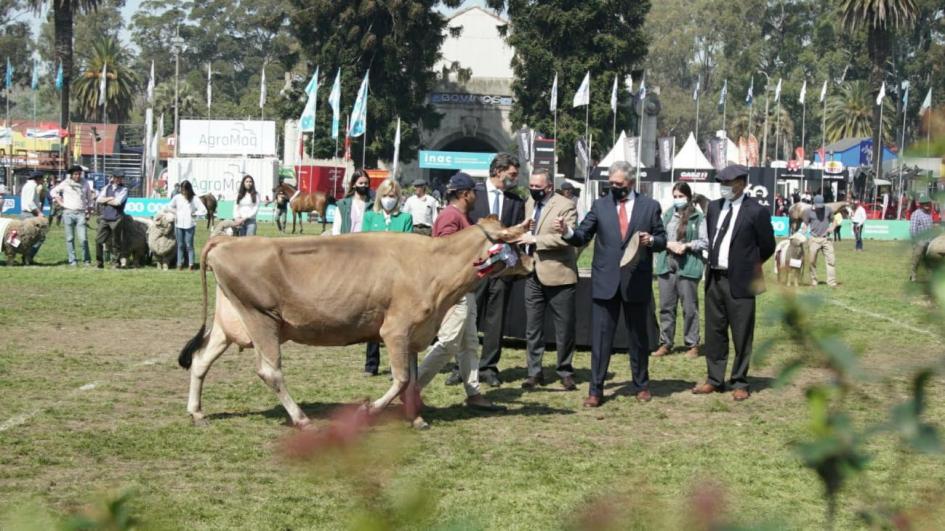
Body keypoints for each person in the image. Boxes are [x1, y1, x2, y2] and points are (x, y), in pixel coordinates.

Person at [553, 160, 667, 407]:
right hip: (606, 283)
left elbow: (662, 238)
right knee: (601, 339)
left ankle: (641, 385)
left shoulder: (650, 206)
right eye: (611, 183)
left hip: (636, 280)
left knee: (638, 338)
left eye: (619, 184)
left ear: (631, 182)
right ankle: (596, 390)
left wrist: (652, 240)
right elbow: (583, 234)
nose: (614, 187)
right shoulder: (600, 205)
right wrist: (567, 232)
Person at [416, 172, 504, 411]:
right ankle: (411, 390)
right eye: (473, 191)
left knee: (469, 343)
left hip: (465, 289)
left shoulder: (459, 216)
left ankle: (473, 394)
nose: (476, 195)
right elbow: (445, 255)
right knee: (449, 343)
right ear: (465, 194)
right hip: (455, 291)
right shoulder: (449, 217)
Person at [692, 164, 775, 401]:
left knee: (741, 333)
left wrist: (748, 267)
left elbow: (768, 245)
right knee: (714, 332)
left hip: (741, 281)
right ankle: (714, 379)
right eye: (721, 183)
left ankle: (739, 380)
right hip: (715, 279)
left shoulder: (756, 211)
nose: (724, 188)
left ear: (741, 184)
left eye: (728, 183)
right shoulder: (715, 208)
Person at [511, 168, 578, 391]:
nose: (533, 190)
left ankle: (565, 371)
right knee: (533, 327)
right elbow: (529, 226)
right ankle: (534, 372)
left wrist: (535, 238)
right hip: (533, 273)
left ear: (549, 187)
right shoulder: (530, 203)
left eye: (538, 187)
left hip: (559, 274)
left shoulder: (565, 205)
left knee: (564, 327)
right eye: (531, 186)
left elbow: (567, 237)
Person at [463, 152, 525, 387]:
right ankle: (463, 366)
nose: (514, 178)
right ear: (498, 171)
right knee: (468, 317)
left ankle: (489, 367)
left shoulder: (515, 202)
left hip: (501, 269)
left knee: (496, 320)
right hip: (475, 268)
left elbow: (514, 234)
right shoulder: (473, 196)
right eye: (511, 174)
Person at [360, 179, 414, 376]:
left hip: (398, 277)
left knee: (397, 323)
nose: (388, 200)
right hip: (373, 275)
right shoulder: (369, 217)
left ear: (398, 198)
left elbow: (408, 246)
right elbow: (363, 244)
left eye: (392, 196)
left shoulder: (405, 218)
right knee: (373, 320)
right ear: (378, 197)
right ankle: (371, 364)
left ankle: (396, 365)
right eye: (385, 195)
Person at [652, 182, 708, 359]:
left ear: (689, 197)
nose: (677, 200)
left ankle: (692, 344)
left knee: (689, 307)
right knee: (666, 307)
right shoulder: (667, 215)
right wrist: (668, 244)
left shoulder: (698, 218)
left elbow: (705, 241)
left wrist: (687, 246)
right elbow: (659, 236)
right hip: (666, 264)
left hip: (688, 265)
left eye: (680, 196)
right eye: (675, 196)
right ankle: (665, 342)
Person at [50, 165, 94, 266]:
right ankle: (72, 260)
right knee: (69, 238)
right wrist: (59, 201)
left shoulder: (85, 183)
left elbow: (90, 199)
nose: (77, 176)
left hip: (81, 213)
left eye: (79, 174)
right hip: (68, 213)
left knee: (83, 239)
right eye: (75, 174)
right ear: (71, 175)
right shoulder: (66, 183)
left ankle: (86, 260)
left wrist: (89, 212)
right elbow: (53, 191)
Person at [163, 180, 207, 270]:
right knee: (180, 245)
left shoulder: (194, 199)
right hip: (179, 224)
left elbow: (204, 210)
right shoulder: (177, 197)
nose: (183, 192)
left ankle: (191, 264)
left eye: (185, 190)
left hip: (190, 224)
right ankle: (180, 264)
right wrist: (175, 212)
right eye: (182, 190)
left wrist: (196, 213)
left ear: (189, 189)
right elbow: (169, 206)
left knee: (189, 245)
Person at [95, 170, 129, 268]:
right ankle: (99, 262)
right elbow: (98, 200)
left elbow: (117, 202)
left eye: (120, 178)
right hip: (105, 218)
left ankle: (116, 262)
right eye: (117, 177)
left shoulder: (124, 190)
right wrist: (110, 198)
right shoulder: (106, 187)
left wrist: (106, 200)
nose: (119, 179)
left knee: (116, 242)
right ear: (113, 178)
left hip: (117, 218)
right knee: (98, 240)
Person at [803, 195, 838, 287]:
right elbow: (805, 224)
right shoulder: (807, 212)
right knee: (811, 261)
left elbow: (834, 221)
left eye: (821, 205)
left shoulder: (828, 210)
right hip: (814, 239)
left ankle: (831, 282)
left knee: (831, 261)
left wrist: (832, 227)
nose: (820, 208)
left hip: (826, 239)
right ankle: (814, 281)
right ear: (814, 203)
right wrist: (803, 231)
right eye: (818, 205)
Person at [332, 170, 372, 235]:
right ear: (354, 184)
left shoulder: (373, 205)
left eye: (366, 183)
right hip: (346, 243)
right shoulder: (343, 205)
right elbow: (336, 230)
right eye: (361, 183)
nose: (363, 185)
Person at [19, 171, 47, 263]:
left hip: (24, 213)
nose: (43, 180)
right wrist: (39, 213)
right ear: (38, 178)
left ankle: (24, 256)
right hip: (30, 215)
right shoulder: (33, 186)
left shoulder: (26, 185)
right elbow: (30, 202)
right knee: (40, 237)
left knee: (25, 237)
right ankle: (28, 256)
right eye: (42, 178)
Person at [909, 192, 935, 282]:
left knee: (930, 260)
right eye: (925, 203)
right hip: (920, 241)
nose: (927, 205)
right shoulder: (916, 214)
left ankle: (930, 277)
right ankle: (913, 274)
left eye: (928, 203)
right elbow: (913, 229)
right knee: (917, 258)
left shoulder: (929, 214)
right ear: (921, 205)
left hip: (930, 241)